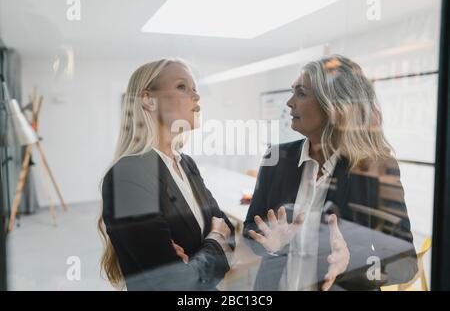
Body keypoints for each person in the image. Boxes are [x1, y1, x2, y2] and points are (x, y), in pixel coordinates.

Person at [243, 54, 418, 291]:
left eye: (301, 93)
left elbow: (405, 263)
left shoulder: (375, 169)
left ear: (335, 107)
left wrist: (351, 265)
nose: (289, 102)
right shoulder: (276, 159)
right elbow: (250, 231)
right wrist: (268, 244)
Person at [98, 58, 235, 290]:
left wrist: (196, 260)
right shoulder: (126, 175)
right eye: (182, 86)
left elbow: (227, 227)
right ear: (148, 100)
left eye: (195, 89)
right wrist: (215, 240)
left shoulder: (186, 163)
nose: (196, 96)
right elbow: (174, 284)